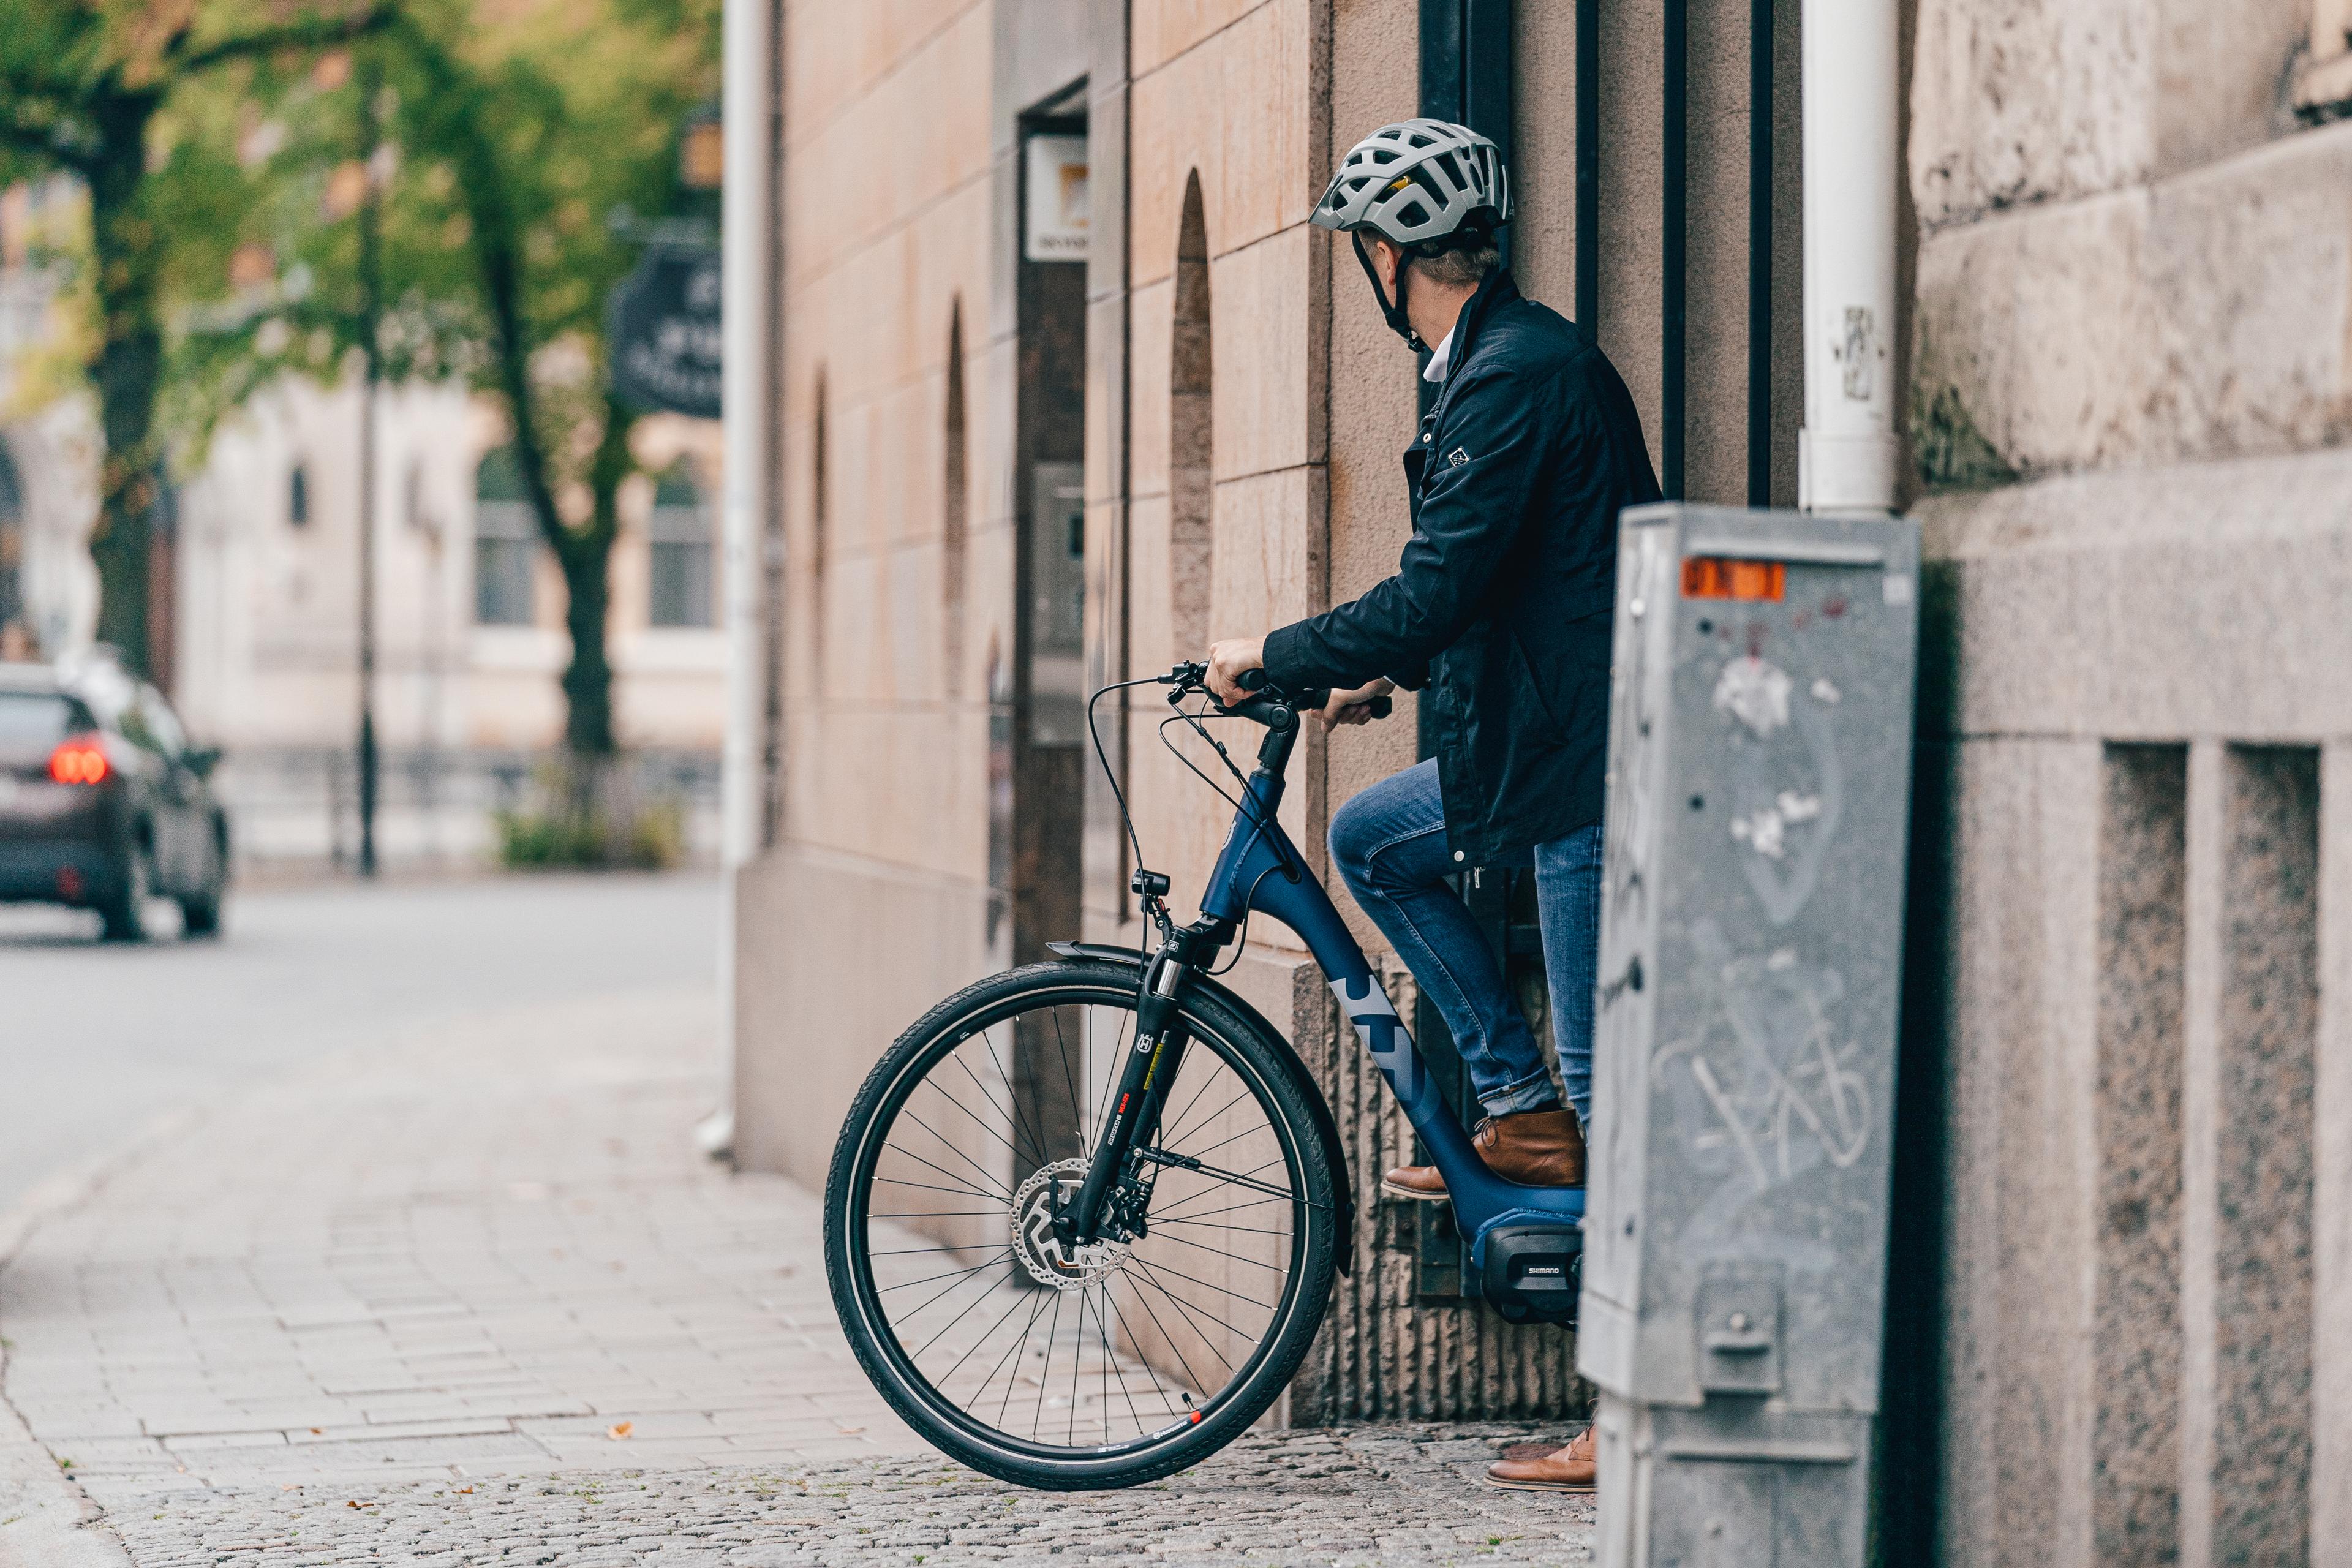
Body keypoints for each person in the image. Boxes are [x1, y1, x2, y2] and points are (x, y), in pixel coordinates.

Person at [1204, 118, 1659, 1494]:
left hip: (1584, 765)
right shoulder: (1493, 365)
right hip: (1532, 743)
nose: (1368, 271)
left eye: (1367, 249)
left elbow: (1443, 583)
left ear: (1393, 258)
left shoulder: (1515, 374)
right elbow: (1497, 581)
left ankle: (1630, 1412)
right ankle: (1514, 1106)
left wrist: (1277, 655)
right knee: (1370, 838)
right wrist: (1374, 674)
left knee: (1611, 1079)